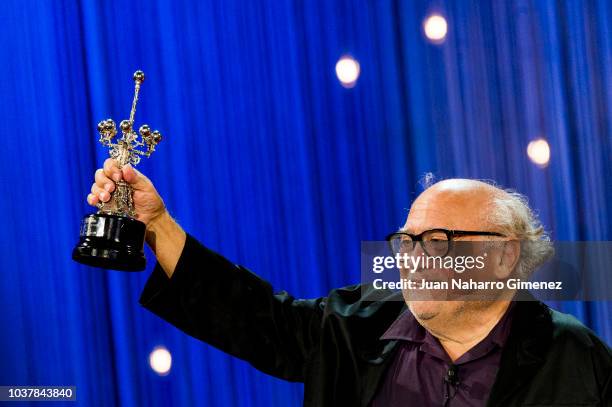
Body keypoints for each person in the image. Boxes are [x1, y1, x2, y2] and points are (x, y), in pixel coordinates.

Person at [88, 159, 612, 406]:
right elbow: (253, 317)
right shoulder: (358, 326)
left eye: (439, 240)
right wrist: (157, 224)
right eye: (407, 241)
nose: (413, 259)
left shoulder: (574, 357)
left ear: (504, 256)